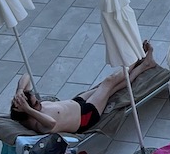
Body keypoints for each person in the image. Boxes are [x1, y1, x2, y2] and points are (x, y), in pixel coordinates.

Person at [9, 39, 157, 132]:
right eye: (35, 104)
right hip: (86, 116)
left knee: (115, 87)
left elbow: (26, 76)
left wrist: (20, 90)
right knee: (109, 82)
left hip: (77, 102)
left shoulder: (28, 107)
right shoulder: (37, 123)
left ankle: (145, 65)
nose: (39, 102)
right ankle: (138, 56)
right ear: (28, 112)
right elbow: (52, 122)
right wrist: (28, 108)